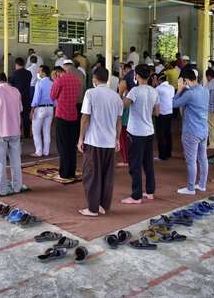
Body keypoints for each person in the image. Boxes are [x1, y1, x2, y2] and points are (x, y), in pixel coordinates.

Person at [77, 68, 123, 217]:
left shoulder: (90, 93)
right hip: (109, 142)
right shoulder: (116, 96)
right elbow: (119, 120)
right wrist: (117, 139)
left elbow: (85, 118)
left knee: (91, 174)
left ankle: (92, 208)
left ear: (95, 80)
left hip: (94, 141)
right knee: (106, 175)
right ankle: (103, 205)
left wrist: (81, 138)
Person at [121, 64, 159, 204]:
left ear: (136, 75)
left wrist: (121, 93)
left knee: (135, 165)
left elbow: (122, 105)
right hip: (149, 131)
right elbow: (157, 112)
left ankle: (136, 196)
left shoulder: (135, 91)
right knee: (148, 163)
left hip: (136, 132)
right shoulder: (154, 91)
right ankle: (149, 191)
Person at [172, 67, 209, 194]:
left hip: (191, 132)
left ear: (186, 80)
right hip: (203, 130)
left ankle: (190, 187)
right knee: (203, 158)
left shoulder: (189, 94)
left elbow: (174, 104)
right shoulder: (205, 91)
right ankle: (202, 184)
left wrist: (179, 90)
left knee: (191, 161)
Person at [50, 66, 81, 180]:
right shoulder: (76, 79)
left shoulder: (59, 80)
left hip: (62, 115)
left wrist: (54, 81)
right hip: (73, 114)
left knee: (62, 145)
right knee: (71, 145)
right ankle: (71, 171)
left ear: (56, 72)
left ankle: (64, 172)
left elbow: (52, 97)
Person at [30, 65, 55, 157]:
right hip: (50, 108)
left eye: (39, 71)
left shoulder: (39, 84)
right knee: (46, 131)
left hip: (40, 109)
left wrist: (32, 109)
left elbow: (36, 99)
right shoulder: (52, 83)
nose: (38, 73)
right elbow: (55, 99)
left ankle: (38, 151)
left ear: (43, 73)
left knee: (36, 131)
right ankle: (46, 151)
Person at [10, 57, 33, 139]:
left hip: (16, 98)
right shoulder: (29, 73)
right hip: (26, 97)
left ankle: (18, 134)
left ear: (16, 64)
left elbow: (10, 85)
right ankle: (27, 133)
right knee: (26, 116)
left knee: (17, 116)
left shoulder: (14, 74)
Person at [155, 73, 174, 161]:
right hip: (170, 112)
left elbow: (154, 100)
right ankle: (168, 153)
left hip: (161, 113)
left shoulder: (158, 88)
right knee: (168, 133)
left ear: (159, 80)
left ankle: (162, 155)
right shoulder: (171, 87)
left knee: (161, 135)